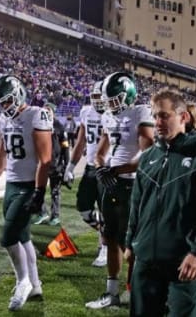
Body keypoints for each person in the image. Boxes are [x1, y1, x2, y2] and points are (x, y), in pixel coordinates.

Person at [126, 88, 196, 316]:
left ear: (183, 117)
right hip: (147, 259)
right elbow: (137, 204)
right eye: (154, 116)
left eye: (164, 115)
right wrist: (131, 243)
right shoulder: (149, 157)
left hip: (185, 261)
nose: (157, 122)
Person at [0, 75, 52, 311]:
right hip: (11, 185)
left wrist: (39, 192)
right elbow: (1, 158)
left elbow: (45, 160)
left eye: (7, 102)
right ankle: (35, 284)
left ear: (18, 95)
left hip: (28, 185)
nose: (4, 107)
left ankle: (23, 282)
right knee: (23, 237)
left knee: (7, 237)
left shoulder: (36, 115)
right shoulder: (2, 121)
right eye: (1, 104)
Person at [87, 72, 154, 309]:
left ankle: (137, 292)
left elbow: (147, 152)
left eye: (115, 99)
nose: (111, 105)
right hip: (111, 183)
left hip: (132, 184)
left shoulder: (140, 112)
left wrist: (117, 170)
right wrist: (100, 168)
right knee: (110, 238)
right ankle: (112, 292)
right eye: (109, 101)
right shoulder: (107, 116)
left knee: (131, 243)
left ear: (128, 95)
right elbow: (100, 151)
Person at [63, 81, 109, 267]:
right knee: (83, 207)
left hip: (106, 167)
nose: (98, 101)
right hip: (90, 167)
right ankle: (107, 234)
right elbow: (81, 141)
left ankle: (105, 248)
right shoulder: (86, 112)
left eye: (101, 97)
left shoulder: (114, 114)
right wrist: (70, 167)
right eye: (95, 97)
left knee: (105, 210)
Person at [33, 102, 69, 226]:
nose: (46, 112)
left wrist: (67, 166)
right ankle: (42, 212)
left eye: (49, 110)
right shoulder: (38, 125)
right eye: (45, 110)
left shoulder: (59, 126)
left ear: (53, 112)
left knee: (55, 192)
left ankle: (55, 215)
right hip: (42, 164)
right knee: (38, 189)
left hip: (55, 164)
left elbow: (65, 148)